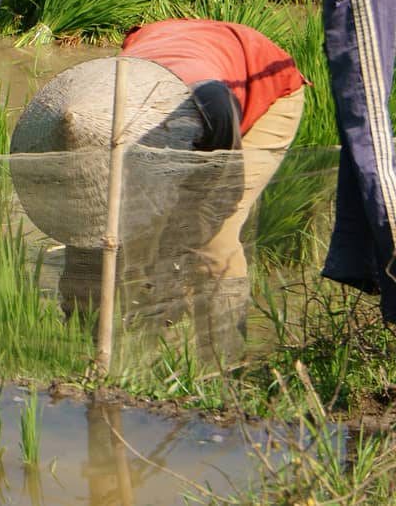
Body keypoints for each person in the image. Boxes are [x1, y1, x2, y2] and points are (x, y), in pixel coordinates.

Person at [16, 19, 305, 359]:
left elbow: (220, 196)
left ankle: (221, 368)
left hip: (259, 85)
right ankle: (86, 352)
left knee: (213, 241)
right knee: (93, 240)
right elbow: (88, 229)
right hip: (163, 49)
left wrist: (169, 260)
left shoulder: (211, 105)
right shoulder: (82, 109)